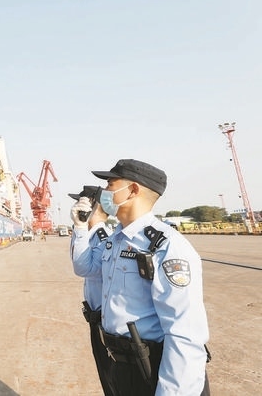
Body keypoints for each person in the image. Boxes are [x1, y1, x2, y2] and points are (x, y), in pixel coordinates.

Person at [70, 159, 210, 396]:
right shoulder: (116, 240)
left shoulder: (165, 245)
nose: (105, 192)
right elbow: (85, 267)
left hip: (153, 367)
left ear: (132, 190)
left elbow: (184, 332)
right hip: (122, 365)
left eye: (110, 184)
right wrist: (80, 227)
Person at [69, 185, 113, 395]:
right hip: (97, 319)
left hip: (106, 322)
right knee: (107, 377)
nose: (76, 206)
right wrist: (80, 228)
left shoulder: (103, 237)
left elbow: (83, 268)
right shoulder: (90, 235)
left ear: (94, 206)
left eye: (81, 202)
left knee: (112, 378)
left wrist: (80, 227)